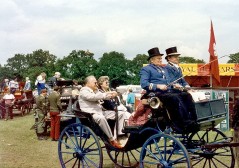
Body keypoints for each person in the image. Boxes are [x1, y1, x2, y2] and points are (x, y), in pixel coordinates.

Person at [140, 47, 198, 133]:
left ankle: (193, 119)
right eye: (158, 58)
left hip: (167, 92)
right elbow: (144, 84)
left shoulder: (163, 69)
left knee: (186, 95)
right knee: (173, 98)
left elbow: (170, 82)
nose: (160, 60)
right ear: (152, 60)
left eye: (161, 58)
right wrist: (158, 86)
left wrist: (176, 86)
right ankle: (179, 123)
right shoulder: (147, 69)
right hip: (156, 93)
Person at [78, 76, 128, 148]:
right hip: (91, 114)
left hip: (100, 111)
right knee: (101, 118)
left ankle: (119, 135)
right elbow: (93, 97)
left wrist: (112, 94)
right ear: (88, 83)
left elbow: (103, 97)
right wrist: (106, 94)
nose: (96, 84)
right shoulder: (83, 91)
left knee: (120, 113)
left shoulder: (95, 90)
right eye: (94, 82)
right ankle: (111, 139)